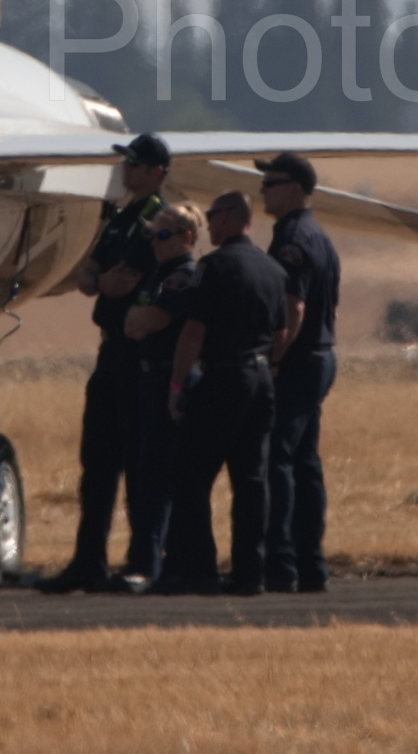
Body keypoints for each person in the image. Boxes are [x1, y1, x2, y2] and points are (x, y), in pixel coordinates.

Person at [37, 133, 169, 594]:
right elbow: (88, 274)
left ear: (157, 173)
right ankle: (87, 561)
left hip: (139, 355)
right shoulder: (119, 219)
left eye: (135, 164)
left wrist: (102, 280)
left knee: (140, 463)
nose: (125, 171)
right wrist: (98, 278)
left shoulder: (158, 221)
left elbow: (118, 282)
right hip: (110, 350)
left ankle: (142, 562)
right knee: (97, 462)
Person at [149, 188, 297, 596]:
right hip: (261, 377)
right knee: (251, 480)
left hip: (223, 378)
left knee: (190, 476)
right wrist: (268, 362)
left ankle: (199, 571)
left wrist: (178, 387)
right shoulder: (272, 269)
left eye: (213, 215)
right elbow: (281, 332)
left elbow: (193, 334)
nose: (209, 223)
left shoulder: (214, 267)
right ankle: (251, 574)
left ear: (230, 218)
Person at [256, 151, 342, 593]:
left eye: (270, 183)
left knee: (280, 461)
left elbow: (293, 307)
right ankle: (312, 565)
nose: (262, 190)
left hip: (299, 359)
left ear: (294, 189)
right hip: (321, 355)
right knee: (305, 461)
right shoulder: (319, 237)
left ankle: (283, 564)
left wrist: (273, 358)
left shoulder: (291, 238)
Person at [120, 201, 204, 587]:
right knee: (143, 476)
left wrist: (138, 319)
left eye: (164, 234)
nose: (155, 240)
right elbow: (131, 325)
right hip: (145, 380)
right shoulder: (157, 276)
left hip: (168, 383)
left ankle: (151, 565)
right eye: (152, 233)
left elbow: (145, 322)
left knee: (158, 478)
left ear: (187, 238)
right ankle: (148, 561)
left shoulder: (182, 277)